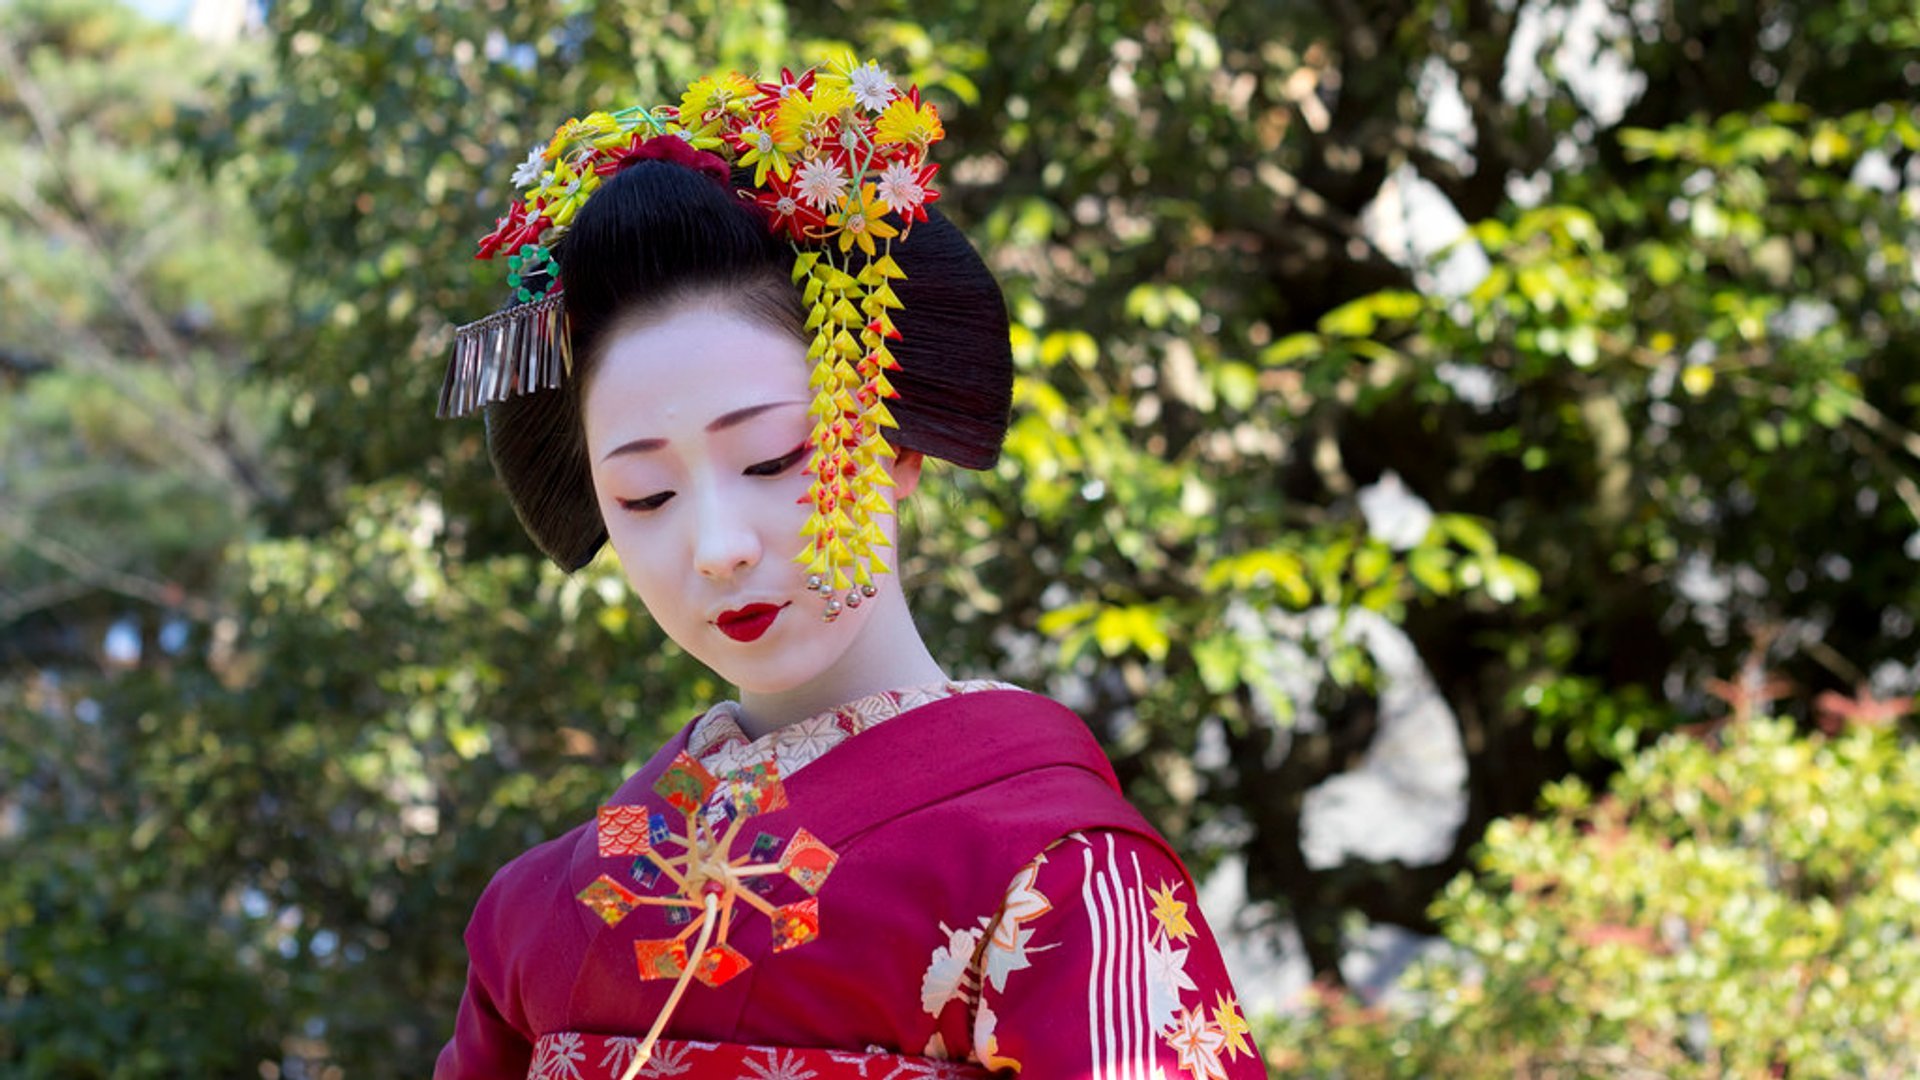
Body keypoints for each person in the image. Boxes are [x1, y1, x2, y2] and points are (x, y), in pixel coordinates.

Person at [433, 56, 1263, 1080]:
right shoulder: (532, 920)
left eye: (776, 457)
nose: (717, 544)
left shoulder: (1062, 874)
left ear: (898, 442)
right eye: (646, 496)